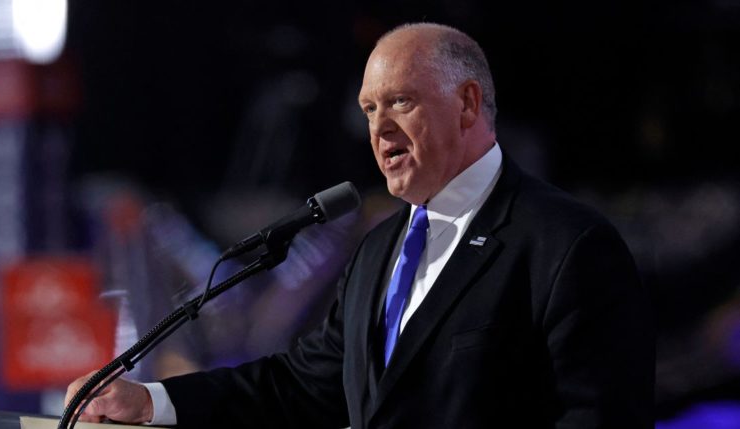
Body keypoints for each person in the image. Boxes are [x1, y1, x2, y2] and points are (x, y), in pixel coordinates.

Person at [65, 22, 654, 428]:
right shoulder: (379, 251)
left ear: (469, 105)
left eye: (401, 102)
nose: (380, 130)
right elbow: (304, 386)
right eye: (370, 110)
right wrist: (152, 401)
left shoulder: (566, 244)